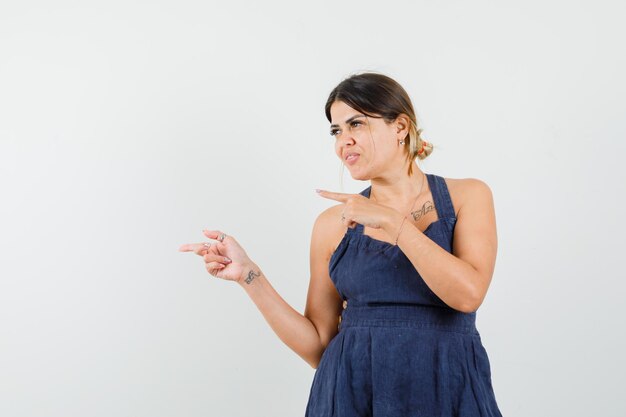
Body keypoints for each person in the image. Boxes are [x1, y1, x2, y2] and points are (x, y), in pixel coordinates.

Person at [179, 72, 503, 416]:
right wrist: (249, 276)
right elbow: (318, 347)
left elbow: (468, 294)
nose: (342, 141)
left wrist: (392, 221)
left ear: (401, 127)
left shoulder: (467, 196)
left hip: (447, 390)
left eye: (356, 124)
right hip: (350, 397)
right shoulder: (331, 225)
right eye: (336, 131)